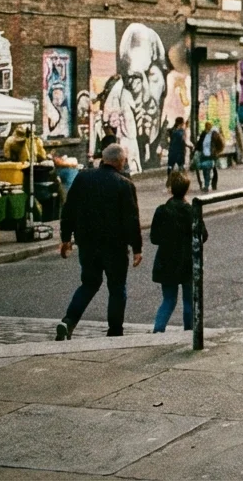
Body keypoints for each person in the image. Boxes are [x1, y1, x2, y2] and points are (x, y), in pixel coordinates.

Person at [56, 143, 144, 340]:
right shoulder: (124, 184)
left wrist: (66, 238)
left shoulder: (83, 177)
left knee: (89, 283)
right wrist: (137, 248)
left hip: (88, 244)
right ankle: (115, 331)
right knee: (117, 288)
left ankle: (68, 321)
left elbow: (69, 209)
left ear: (103, 159)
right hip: (115, 247)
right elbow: (131, 220)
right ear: (120, 161)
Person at [150, 171, 207, 332]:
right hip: (188, 260)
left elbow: (154, 238)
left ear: (170, 188)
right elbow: (203, 235)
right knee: (188, 300)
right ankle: (189, 332)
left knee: (168, 299)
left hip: (166, 260)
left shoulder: (161, 210)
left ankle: (158, 330)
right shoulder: (192, 211)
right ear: (187, 190)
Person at [196, 122, 222, 192]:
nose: (207, 129)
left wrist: (216, 152)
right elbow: (200, 143)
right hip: (204, 154)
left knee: (210, 170)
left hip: (211, 155)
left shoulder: (214, 135)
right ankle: (207, 185)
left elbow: (220, 144)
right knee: (205, 170)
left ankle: (210, 185)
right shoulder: (204, 134)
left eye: (208, 127)